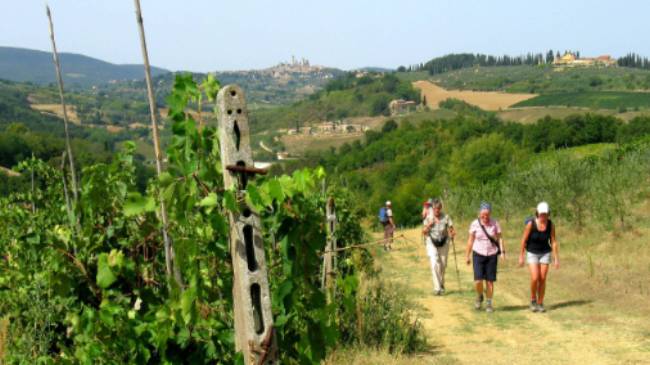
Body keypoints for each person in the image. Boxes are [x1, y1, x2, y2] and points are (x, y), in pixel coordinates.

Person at [518, 202, 560, 313]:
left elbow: (554, 241)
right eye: (541, 214)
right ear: (537, 213)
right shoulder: (531, 224)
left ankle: (540, 302)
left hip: (545, 253)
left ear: (548, 214)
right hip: (532, 252)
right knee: (535, 278)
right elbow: (523, 240)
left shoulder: (551, 225)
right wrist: (521, 256)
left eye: (545, 214)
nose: (543, 216)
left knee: (542, 279)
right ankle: (533, 300)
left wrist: (556, 258)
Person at [465, 202, 505, 313]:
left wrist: (502, 252)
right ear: (479, 213)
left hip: (492, 254)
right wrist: (467, 255)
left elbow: (500, 238)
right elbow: (470, 240)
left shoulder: (495, 223)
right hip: (478, 253)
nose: (485, 217)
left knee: (490, 281)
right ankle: (479, 295)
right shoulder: (474, 224)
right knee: (478, 281)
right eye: (483, 215)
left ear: (490, 213)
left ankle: (489, 303)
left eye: (487, 215)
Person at [423, 199, 456, 295]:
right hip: (431, 242)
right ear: (432, 208)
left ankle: (441, 284)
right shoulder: (428, 217)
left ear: (441, 208)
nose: (437, 210)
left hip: (444, 242)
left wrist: (452, 233)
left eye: (438, 208)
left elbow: (451, 229)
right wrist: (429, 225)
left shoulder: (446, 217)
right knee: (434, 263)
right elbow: (424, 232)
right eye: (435, 208)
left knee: (443, 264)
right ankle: (437, 288)